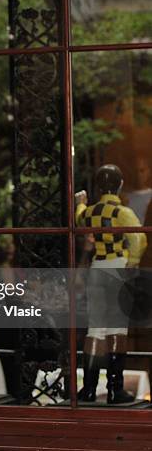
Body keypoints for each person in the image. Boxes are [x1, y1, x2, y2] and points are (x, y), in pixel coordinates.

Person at [75, 164, 148, 403]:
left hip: (97, 268)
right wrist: (133, 262)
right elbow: (138, 239)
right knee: (117, 329)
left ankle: (88, 389)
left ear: (98, 186)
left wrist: (81, 202)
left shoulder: (90, 212)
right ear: (120, 185)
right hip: (117, 266)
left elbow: (78, 217)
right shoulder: (122, 212)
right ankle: (115, 389)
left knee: (95, 329)